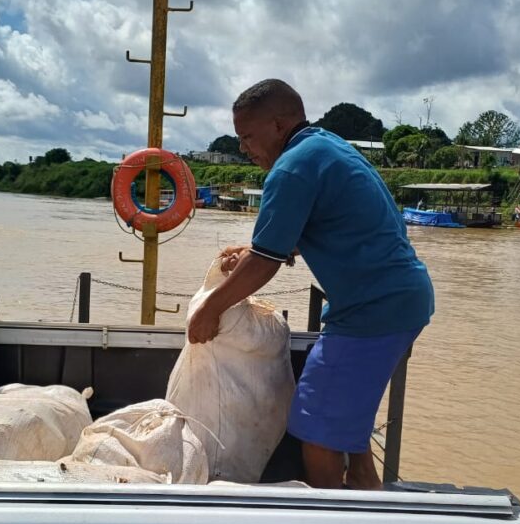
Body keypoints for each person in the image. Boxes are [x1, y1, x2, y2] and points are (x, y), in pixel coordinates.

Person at [186, 78, 434, 490]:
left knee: (316, 432)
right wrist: (253, 253)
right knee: (349, 437)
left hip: (372, 313)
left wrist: (210, 307)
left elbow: (265, 263)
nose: (244, 148)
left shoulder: (291, 168)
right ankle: (369, 521)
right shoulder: (324, 147)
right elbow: (308, 234)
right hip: (396, 301)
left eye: (247, 136)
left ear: (279, 125)